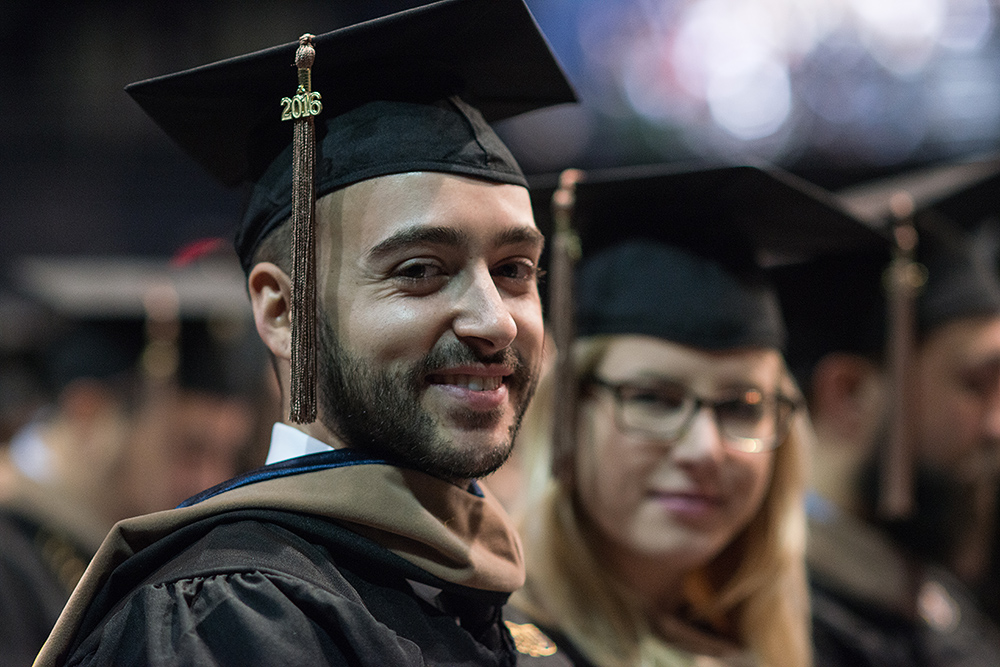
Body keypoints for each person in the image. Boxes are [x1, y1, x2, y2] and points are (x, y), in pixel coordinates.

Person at [35, 0, 577, 665]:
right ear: (281, 310)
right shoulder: (228, 618)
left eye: (515, 270)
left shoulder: (493, 609)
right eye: (421, 270)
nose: (495, 320)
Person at [507, 163, 885, 667]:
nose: (705, 449)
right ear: (565, 412)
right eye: (653, 398)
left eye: (742, 407)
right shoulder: (490, 648)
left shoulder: (800, 649)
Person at [773, 156, 1000, 666]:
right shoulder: (782, 628)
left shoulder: (931, 599)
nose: (996, 425)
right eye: (976, 384)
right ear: (849, 394)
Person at [0, 253, 272, 667]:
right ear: (89, 417)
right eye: (188, 448)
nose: (212, 479)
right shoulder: (10, 564)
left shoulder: (105, 556)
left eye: (227, 454)